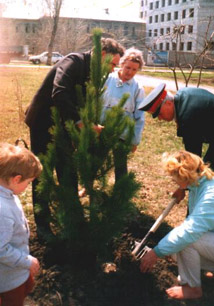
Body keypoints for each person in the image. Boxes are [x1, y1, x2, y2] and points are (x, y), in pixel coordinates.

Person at [24, 38, 125, 238]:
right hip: (43, 123)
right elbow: (59, 92)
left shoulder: (96, 74)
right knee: (43, 173)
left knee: (68, 171)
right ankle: (43, 226)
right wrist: (80, 123)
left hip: (66, 125)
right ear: (102, 55)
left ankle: (72, 219)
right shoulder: (73, 62)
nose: (113, 70)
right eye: (113, 64)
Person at [140, 150, 214, 300]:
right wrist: (184, 187)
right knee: (175, 251)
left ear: (185, 176)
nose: (173, 181)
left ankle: (192, 288)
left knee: (187, 239)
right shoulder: (201, 182)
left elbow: (189, 232)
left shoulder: (212, 195)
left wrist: (156, 253)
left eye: (175, 179)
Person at [138, 84, 214, 179]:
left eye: (159, 113)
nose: (160, 119)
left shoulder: (187, 117)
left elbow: (193, 158)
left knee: (209, 176)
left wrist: (184, 184)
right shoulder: (182, 96)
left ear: (168, 103)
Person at [0, 142, 42, 306]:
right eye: (29, 182)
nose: (28, 186)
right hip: (8, 278)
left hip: (16, 271)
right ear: (16, 179)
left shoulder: (8, 193)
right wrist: (27, 261)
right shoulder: (2, 211)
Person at [101, 47, 145, 181]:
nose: (130, 72)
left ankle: (120, 191)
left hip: (122, 133)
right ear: (122, 64)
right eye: (128, 68)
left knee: (120, 164)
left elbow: (139, 117)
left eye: (134, 70)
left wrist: (134, 140)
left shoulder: (137, 88)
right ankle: (88, 187)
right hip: (102, 128)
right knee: (97, 159)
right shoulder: (107, 79)